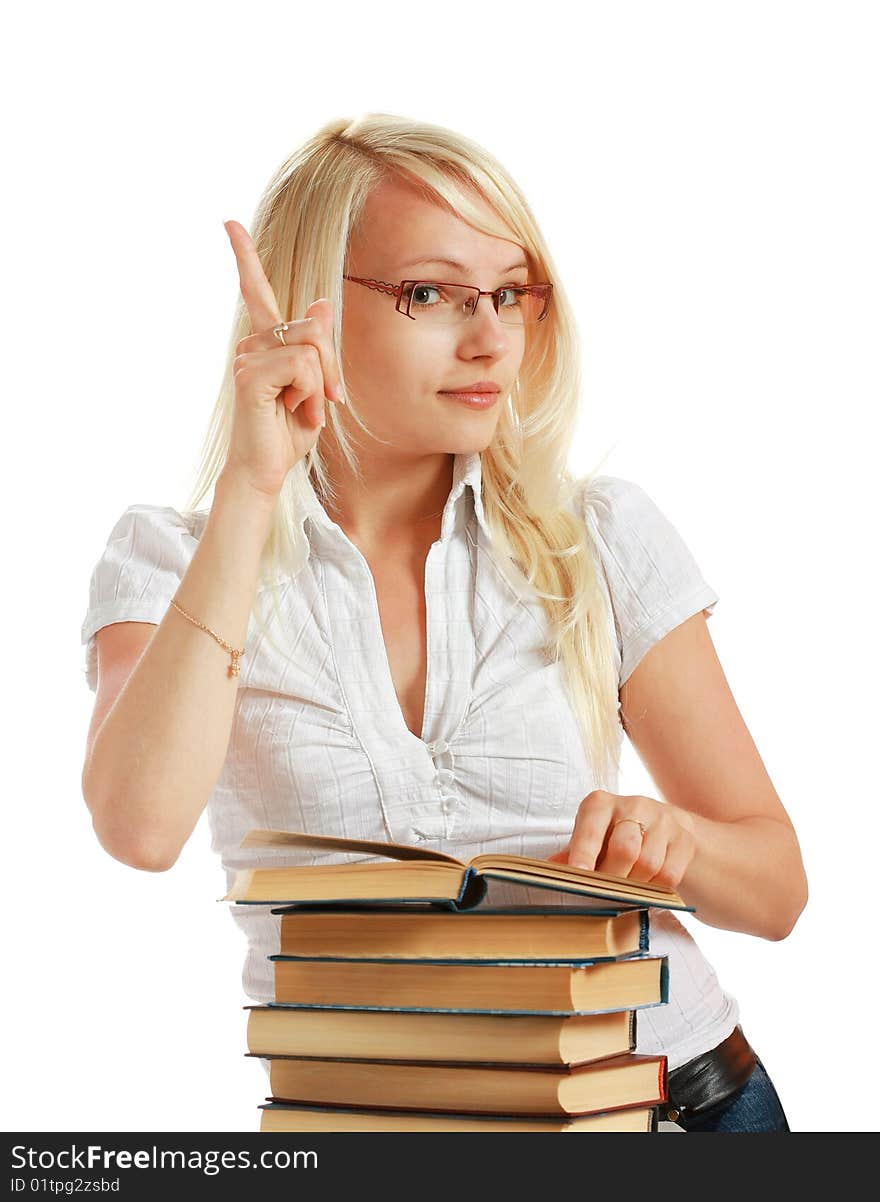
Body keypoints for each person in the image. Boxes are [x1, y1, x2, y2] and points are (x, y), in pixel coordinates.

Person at [79, 112, 806, 1133]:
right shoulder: (173, 556)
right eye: (430, 293)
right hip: (377, 1125)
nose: (489, 336)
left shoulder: (596, 537)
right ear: (308, 305)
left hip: (664, 1101)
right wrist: (252, 486)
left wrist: (672, 838)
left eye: (509, 294)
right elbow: (140, 825)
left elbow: (775, 891)